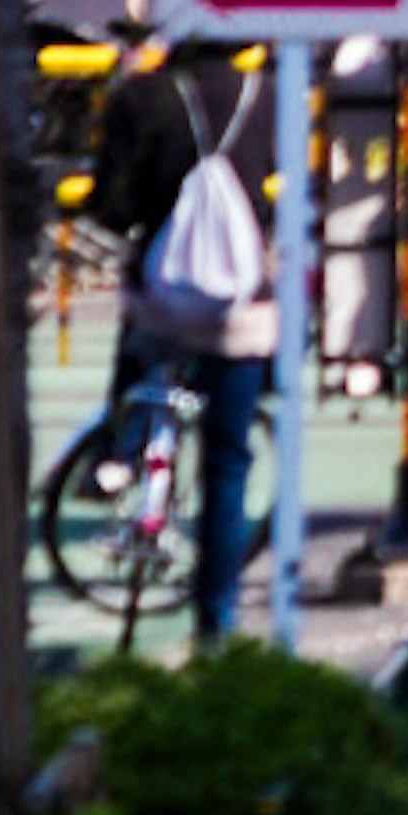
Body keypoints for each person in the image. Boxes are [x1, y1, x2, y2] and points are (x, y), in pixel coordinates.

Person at [86, 48, 280, 640]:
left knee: (142, 354)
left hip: (163, 301)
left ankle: (122, 451)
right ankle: (215, 623)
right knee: (228, 464)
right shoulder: (268, 95)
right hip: (240, 310)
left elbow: (112, 208)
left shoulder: (141, 96)